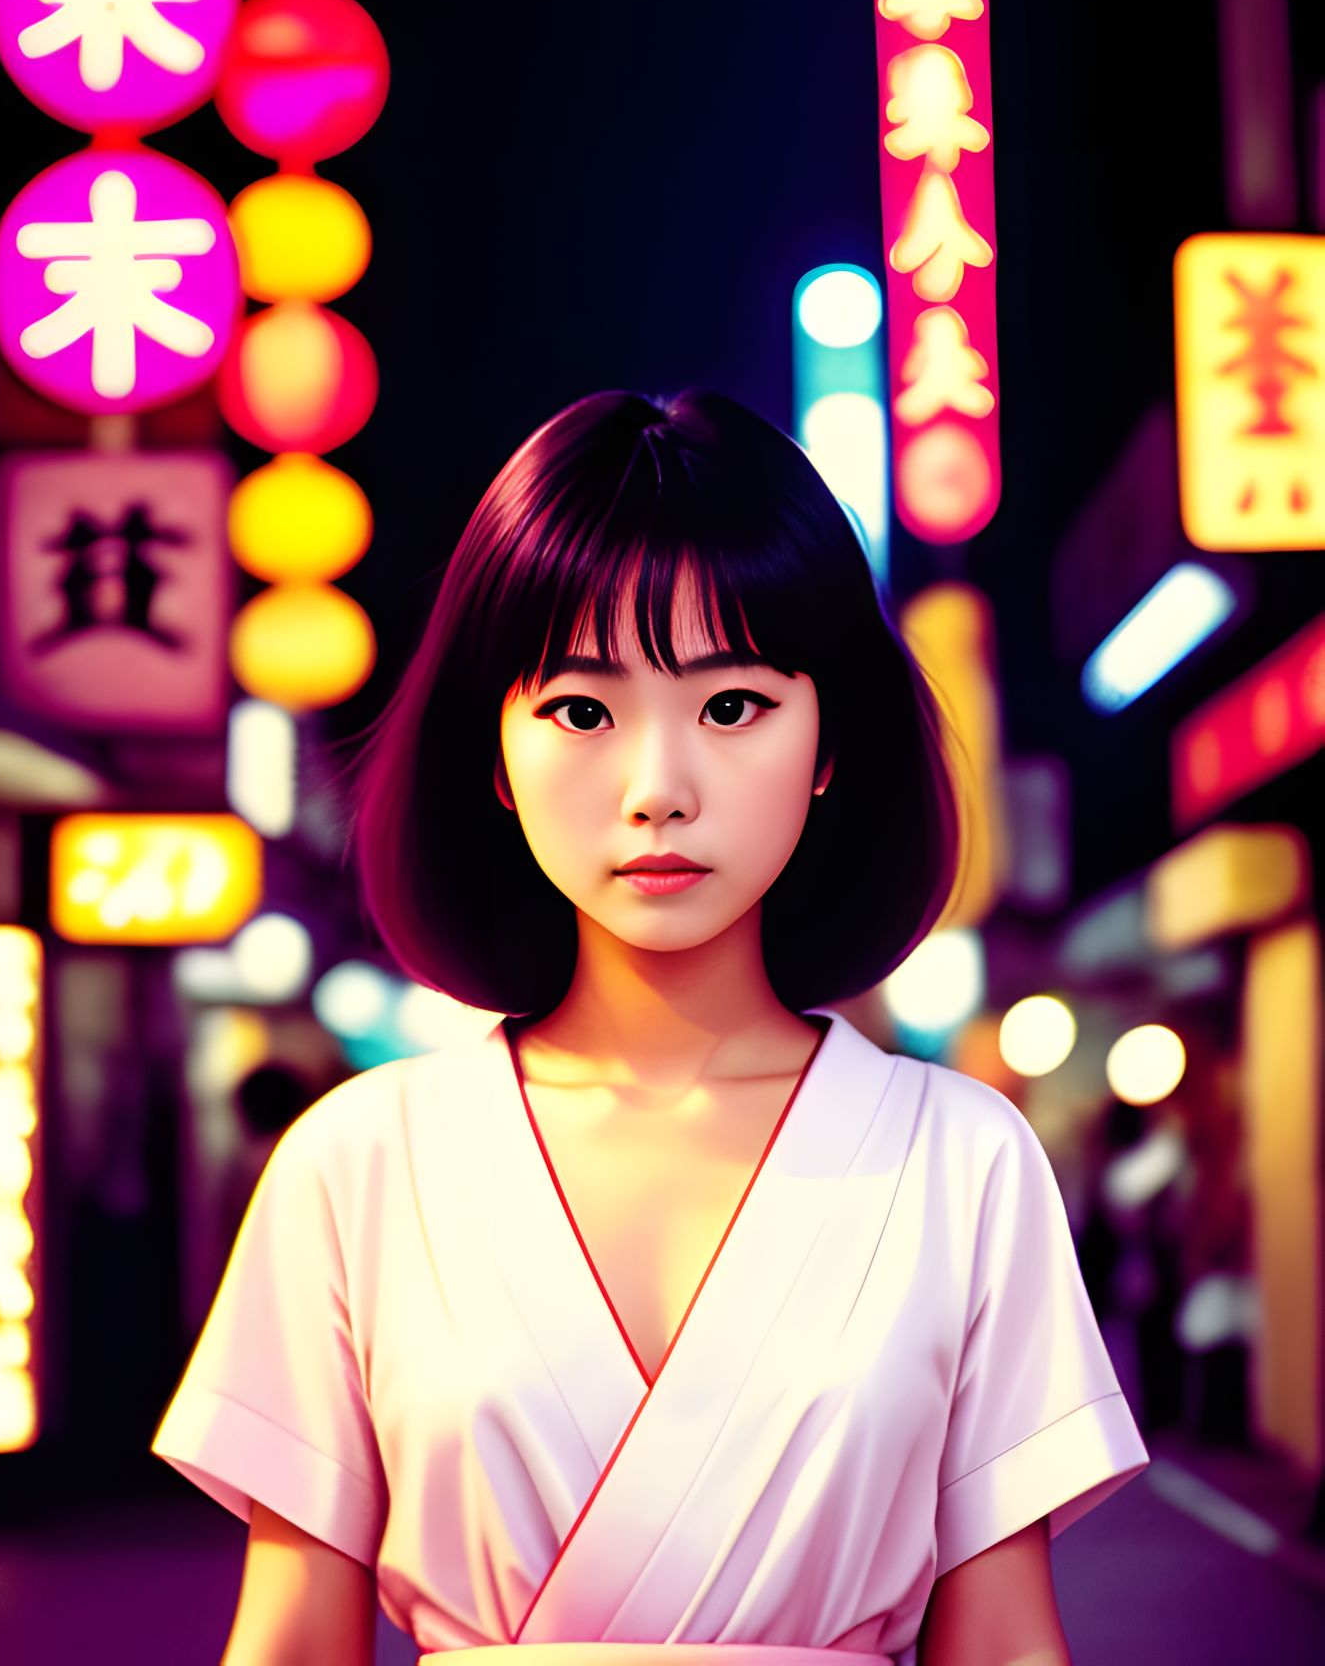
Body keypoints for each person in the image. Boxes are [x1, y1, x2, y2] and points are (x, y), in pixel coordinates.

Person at [150, 388, 1149, 1666]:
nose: (657, 789)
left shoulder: (963, 1161)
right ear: (495, 756)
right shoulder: (357, 1163)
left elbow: (1009, 1645)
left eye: (732, 706)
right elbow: (288, 1644)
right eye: (580, 707)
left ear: (828, 739)